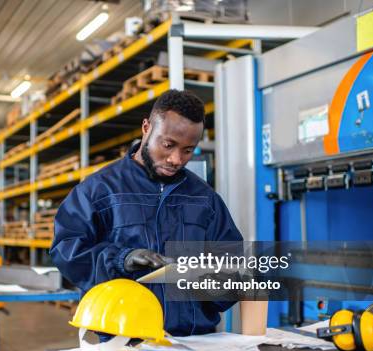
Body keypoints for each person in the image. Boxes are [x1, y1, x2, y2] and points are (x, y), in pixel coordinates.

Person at [50, 89, 243, 336]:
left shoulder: (204, 198)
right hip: (123, 341)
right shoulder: (99, 190)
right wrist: (121, 259)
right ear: (146, 128)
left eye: (188, 150)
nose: (176, 159)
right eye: (168, 145)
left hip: (195, 342)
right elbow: (67, 249)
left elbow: (233, 268)